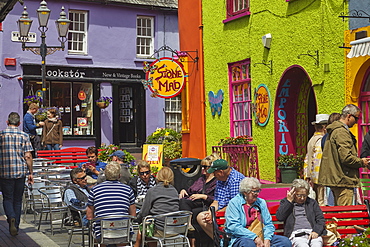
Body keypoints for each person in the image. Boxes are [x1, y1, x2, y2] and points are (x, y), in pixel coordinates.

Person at [319, 104, 370, 206]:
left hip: (337, 178)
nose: (356, 122)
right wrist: (362, 162)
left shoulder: (335, 130)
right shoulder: (341, 132)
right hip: (343, 179)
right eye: (356, 118)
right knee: (345, 215)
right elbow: (346, 157)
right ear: (349, 116)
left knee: (339, 213)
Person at [225, 177, 292, 247]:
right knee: (249, 244)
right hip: (241, 237)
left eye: (258, 191)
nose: (257, 194)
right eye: (254, 191)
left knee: (285, 242)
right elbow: (233, 226)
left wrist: (267, 239)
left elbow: (268, 224)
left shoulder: (261, 202)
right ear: (245, 192)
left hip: (261, 234)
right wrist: (254, 237)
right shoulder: (234, 203)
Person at [0, 112, 34, 236]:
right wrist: (31, 172)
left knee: (7, 198)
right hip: (20, 172)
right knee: (18, 200)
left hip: (4, 172)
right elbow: (28, 156)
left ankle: (11, 217)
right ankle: (16, 225)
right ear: (19, 123)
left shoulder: (1, 135)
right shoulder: (24, 135)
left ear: (7, 122)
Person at [197, 158, 245, 238]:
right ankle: (222, 241)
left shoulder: (235, 180)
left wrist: (215, 215)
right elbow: (216, 201)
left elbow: (235, 206)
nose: (213, 175)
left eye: (214, 173)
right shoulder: (220, 180)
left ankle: (226, 241)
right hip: (222, 212)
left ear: (221, 172)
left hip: (235, 214)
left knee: (212, 219)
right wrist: (210, 212)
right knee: (201, 217)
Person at [86, 162, 136, 241]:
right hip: (123, 232)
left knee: (98, 236)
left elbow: (89, 216)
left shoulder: (95, 190)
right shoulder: (128, 190)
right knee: (123, 237)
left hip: (102, 233)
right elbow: (133, 214)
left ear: (105, 175)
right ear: (119, 175)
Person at [134, 166, 179, 247]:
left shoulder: (152, 191)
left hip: (159, 230)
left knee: (145, 227)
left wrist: (137, 220)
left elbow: (144, 212)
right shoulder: (175, 191)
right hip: (174, 229)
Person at [179, 153, 218, 247]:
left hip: (206, 205)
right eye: (202, 166)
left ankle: (187, 225)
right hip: (195, 203)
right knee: (182, 202)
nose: (203, 169)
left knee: (193, 211)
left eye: (205, 167)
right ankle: (189, 229)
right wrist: (183, 190)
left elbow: (217, 199)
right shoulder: (201, 179)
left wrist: (203, 196)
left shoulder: (216, 181)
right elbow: (190, 190)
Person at [276, 179, 326, 247]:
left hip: (312, 233)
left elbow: (320, 219)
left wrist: (316, 231)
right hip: (296, 235)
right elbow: (280, 217)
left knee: (317, 244)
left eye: (304, 195)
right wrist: (288, 202)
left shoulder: (311, 203)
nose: (302, 198)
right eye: (299, 195)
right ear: (293, 193)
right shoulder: (286, 202)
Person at [304, 114, 329, 206]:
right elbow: (319, 159)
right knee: (321, 201)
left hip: (313, 176)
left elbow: (307, 158)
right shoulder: (321, 140)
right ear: (324, 127)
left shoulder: (312, 139)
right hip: (320, 177)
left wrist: (307, 174)